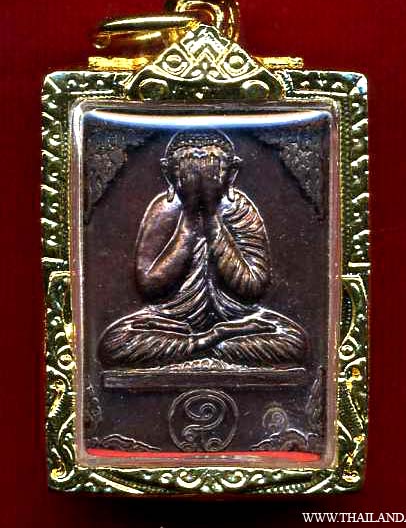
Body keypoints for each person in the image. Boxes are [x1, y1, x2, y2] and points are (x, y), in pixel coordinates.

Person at [98, 129, 307, 368]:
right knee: (115, 342)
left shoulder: (240, 209)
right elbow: (150, 286)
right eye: (188, 171)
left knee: (293, 340)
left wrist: (211, 216)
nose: (199, 179)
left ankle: (197, 346)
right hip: (171, 321)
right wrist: (188, 217)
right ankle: (208, 341)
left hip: (238, 320)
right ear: (168, 173)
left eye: (212, 170)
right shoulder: (165, 209)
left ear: (232, 173)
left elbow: (253, 286)